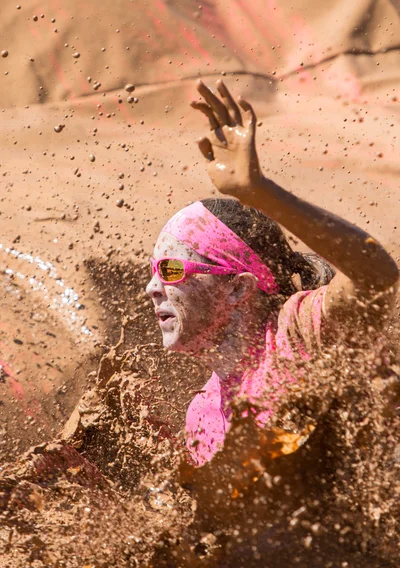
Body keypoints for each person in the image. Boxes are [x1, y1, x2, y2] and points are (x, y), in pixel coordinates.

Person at [146, 80, 399, 467]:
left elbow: (376, 279)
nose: (152, 288)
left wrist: (259, 193)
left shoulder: (300, 331)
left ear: (237, 289)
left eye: (171, 269)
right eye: (153, 272)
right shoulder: (201, 414)